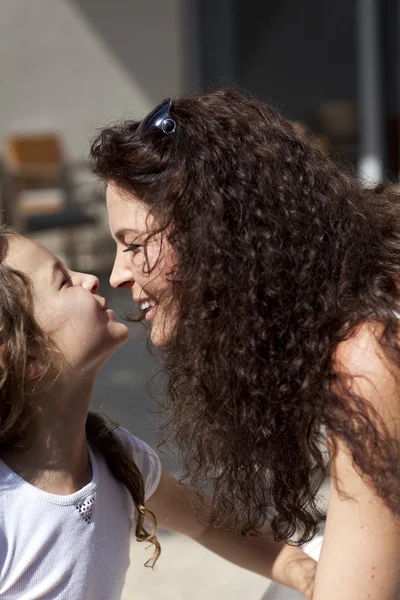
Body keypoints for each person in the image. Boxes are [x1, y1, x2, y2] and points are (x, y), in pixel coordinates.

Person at [90, 89, 400, 600]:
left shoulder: (368, 357)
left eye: (134, 244)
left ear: (217, 236)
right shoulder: (363, 291)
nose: (118, 274)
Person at [0, 229, 316, 599]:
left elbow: (209, 524)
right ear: (28, 357)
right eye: (64, 281)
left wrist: (303, 571)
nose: (90, 278)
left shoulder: (118, 459)